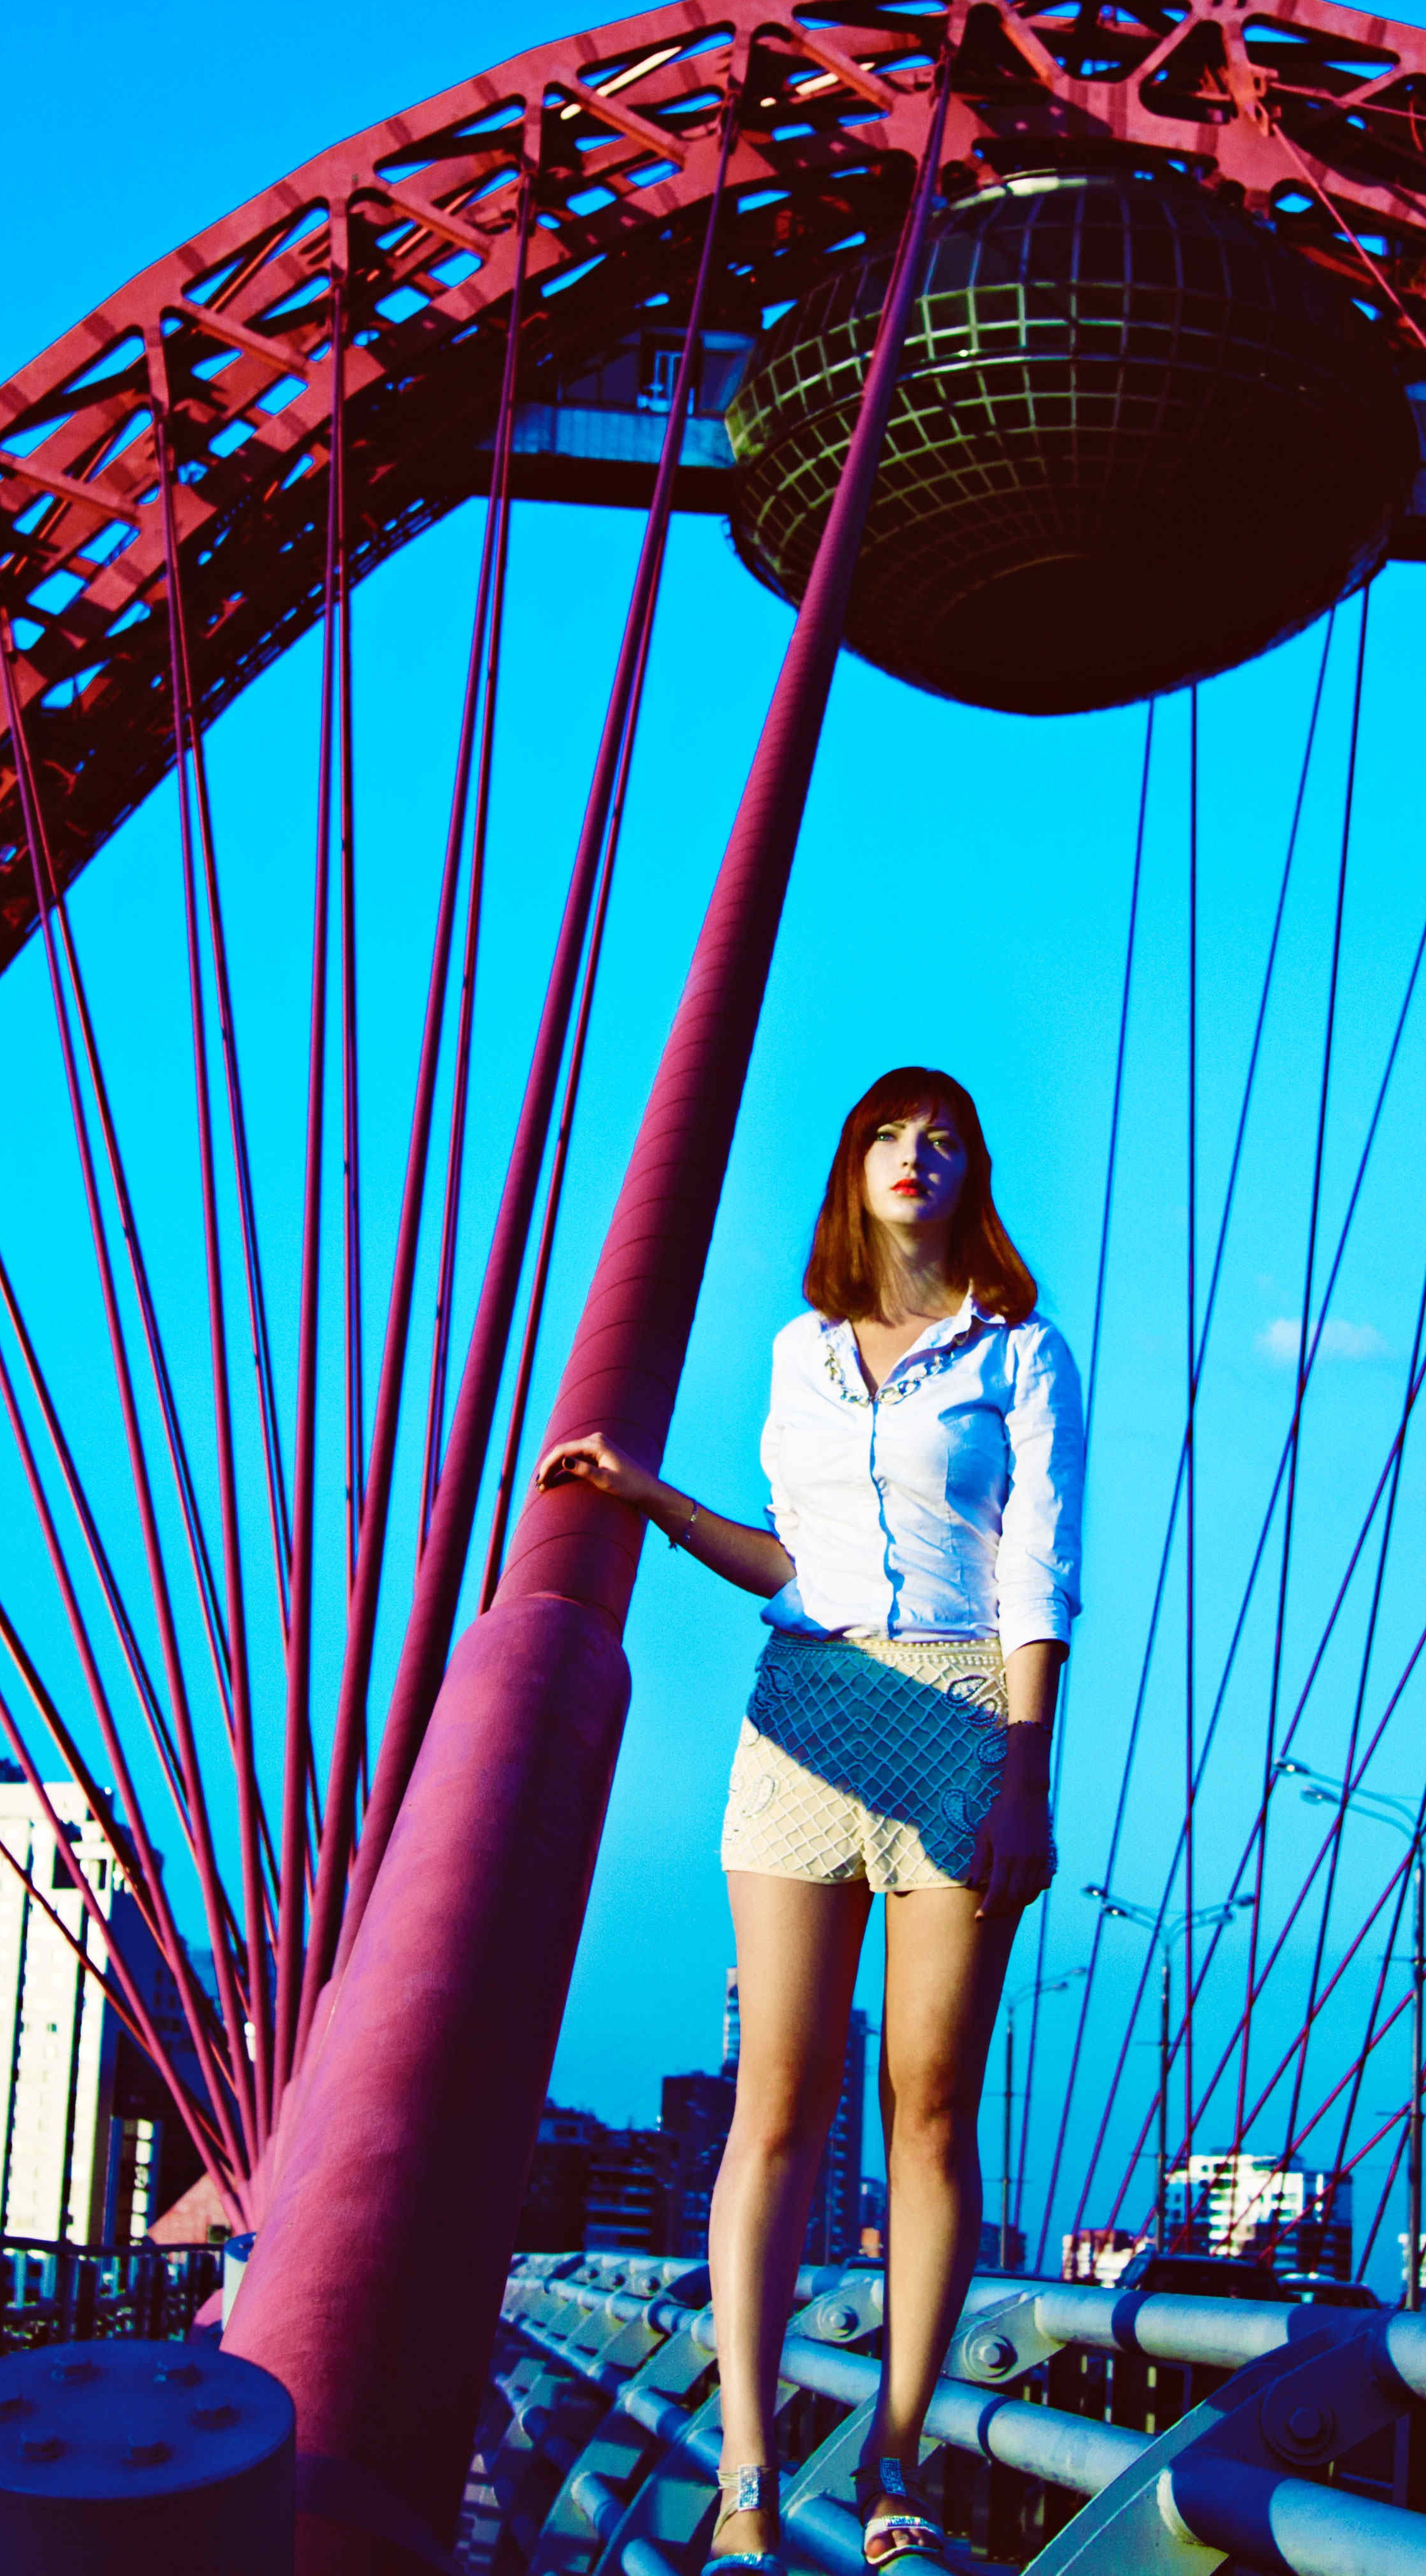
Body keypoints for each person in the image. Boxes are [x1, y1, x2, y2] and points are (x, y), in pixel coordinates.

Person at [535, 1063, 1083, 2573]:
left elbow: (1039, 1571)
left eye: (945, 1137)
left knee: (929, 2103)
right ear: (853, 1169)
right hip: (802, 1706)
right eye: (890, 1135)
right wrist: (652, 1498)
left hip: (963, 1710)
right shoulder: (800, 1350)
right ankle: (749, 2475)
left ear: (973, 1176)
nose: (917, 1154)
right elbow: (793, 1557)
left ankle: (898, 2461)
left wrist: (1026, 1771)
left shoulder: (1022, 1353)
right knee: (774, 2101)